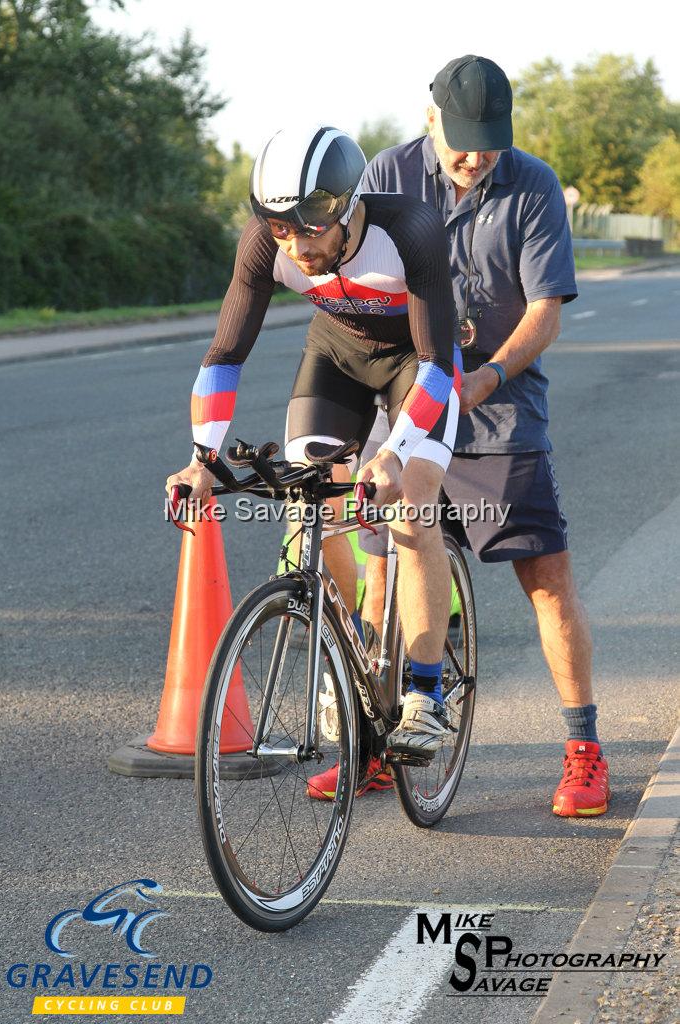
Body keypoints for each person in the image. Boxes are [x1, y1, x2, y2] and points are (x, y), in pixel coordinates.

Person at [166, 124, 464, 797]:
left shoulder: (409, 229)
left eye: (312, 226)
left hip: (418, 367)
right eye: (280, 228)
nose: (297, 244)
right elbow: (223, 356)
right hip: (335, 362)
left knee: (410, 506)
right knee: (312, 513)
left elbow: (440, 367)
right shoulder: (265, 243)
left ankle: (424, 692)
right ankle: (352, 646)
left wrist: (389, 454)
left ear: (348, 205)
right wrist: (200, 460)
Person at [354, 55, 610, 818]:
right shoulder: (385, 176)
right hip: (404, 415)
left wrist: (485, 379)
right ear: (429, 116)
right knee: (381, 585)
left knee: (546, 580)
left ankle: (584, 749)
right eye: (463, 140)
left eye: (490, 142)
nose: (476, 156)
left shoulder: (531, 184)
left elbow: (543, 310)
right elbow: (357, 293)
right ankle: (375, 749)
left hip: (498, 413)